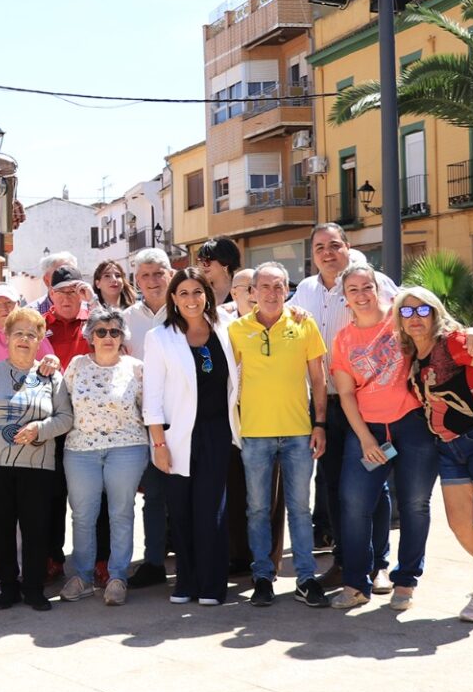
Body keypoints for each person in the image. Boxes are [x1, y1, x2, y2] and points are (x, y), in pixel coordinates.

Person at [396, 287, 473, 623]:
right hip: (447, 446)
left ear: (435, 313)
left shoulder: (453, 343)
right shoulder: (412, 356)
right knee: (460, 525)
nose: (415, 318)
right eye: (406, 313)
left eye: (422, 311)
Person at [290, 223, 402, 588]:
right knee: (332, 484)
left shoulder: (373, 282)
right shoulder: (304, 291)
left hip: (368, 401)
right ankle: (344, 560)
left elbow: (412, 313)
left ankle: (380, 563)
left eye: (334, 245)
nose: (327, 253)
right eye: (319, 246)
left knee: (375, 480)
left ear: (347, 247)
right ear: (312, 253)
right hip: (322, 403)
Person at [329, 263, 440, 612]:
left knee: (415, 504)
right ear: (345, 298)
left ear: (378, 289)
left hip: (412, 426)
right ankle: (356, 584)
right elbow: (346, 394)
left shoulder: (400, 322)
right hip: (369, 430)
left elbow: (439, 328)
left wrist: (469, 333)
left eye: (367, 287)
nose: (362, 296)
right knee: (354, 504)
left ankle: (405, 581)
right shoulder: (343, 340)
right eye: (353, 290)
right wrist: (364, 439)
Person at [227, 263, 329, 607]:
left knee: (300, 509)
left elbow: (318, 379)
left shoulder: (304, 323)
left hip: (300, 433)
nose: (272, 293)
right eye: (265, 287)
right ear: (252, 292)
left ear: (288, 290)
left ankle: (305, 578)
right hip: (254, 435)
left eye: (279, 286)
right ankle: (262, 577)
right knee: (257, 510)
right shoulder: (236, 330)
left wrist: (320, 424)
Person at [0, 307, 73, 611]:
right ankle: (8, 586)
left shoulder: (51, 377)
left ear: (39, 341)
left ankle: (34, 588)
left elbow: (65, 417)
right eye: (18, 333)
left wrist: (41, 429)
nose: (24, 339)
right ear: (7, 338)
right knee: (1, 528)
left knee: (37, 529)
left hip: (38, 467)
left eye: (31, 334)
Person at [142, 268, 241, 606]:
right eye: (183, 293)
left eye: (197, 292)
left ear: (207, 296)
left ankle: (213, 585)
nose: (191, 299)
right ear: (173, 298)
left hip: (216, 431)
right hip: (176, 434)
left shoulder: (226, 330)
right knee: (180, 510)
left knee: (211, 509)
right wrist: (158, 444)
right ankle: (186, 582)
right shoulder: (160, 337)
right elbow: (151, 395)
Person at [58, 306, 147, 607]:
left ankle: (118, 576)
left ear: (123, 336)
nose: (108, 337)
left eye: (115, 332)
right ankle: (82, 576)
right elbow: (63, 403)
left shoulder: (135, 368)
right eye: (101, 331)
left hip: (127, 448)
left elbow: (146, 408)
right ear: (90, 336)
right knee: (83, 515)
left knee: (121, 513)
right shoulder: (76, 365)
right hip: (81, 449)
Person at [122, 248, 172, 588]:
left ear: (170, 273)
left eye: (159, 273)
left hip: (185, 416)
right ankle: (154, 561)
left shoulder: (188, 309)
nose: (153, 281)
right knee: (153, 493)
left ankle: (190, 557)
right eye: (145, 275)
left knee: (187, 492)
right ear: (136, 280)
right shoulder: (125, 319)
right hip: (144, 420)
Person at [42, 265, 93, 581]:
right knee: (52, 496)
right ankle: (52, 557)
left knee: (91, 499)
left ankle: (98, 561)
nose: (67, 297)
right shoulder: (39, 325)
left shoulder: (95, 324)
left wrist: (94, 305)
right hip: (52, 422)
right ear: (50, 294)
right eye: (60, 291)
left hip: (89, 423)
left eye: (73, 290)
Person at [0, 283, 55, 375]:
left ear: (18, 304)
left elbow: (52, 365)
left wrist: (53, 361)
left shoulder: (33, 333)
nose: (4, 308)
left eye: (9, 302)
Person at [195, 237, 242, 306]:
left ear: (225, 262)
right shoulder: (198, 290)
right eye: (200, 260)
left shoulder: (243, 289)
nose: (202, 265)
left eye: (207, 261)